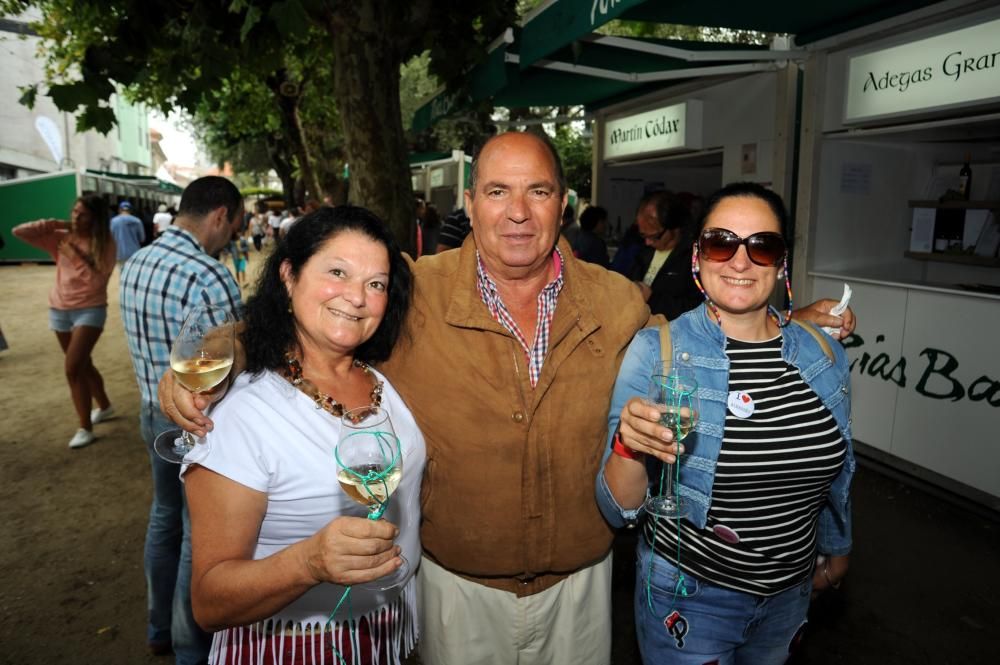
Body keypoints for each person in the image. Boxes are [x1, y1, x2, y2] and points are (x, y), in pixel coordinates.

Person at [161, 132, 855, 665]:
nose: (518, 213)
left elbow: (700, 342)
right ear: (471, 204)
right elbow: (326, 308)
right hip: (454, 587)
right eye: (496, 192)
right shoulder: (412, 289)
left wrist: (783, 322)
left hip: (581, 590)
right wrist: (214, 356)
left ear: (562, 201)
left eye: (539, 192)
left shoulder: (615, 301)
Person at [598, 182, 853, 664]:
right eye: (721, 242)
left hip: (790, 596)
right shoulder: (657, 353)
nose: (740, 261)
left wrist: (838, 548)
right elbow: (616, 509)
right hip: (691, 599)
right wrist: (629, 446)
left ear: (780, 262)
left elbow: (838, 472)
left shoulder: (824, 353)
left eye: (762, 246)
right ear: (698, 256)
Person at [184, 205, 422, 664]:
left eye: (376, 284)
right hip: (293, 644)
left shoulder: (382, 378)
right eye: (338, 272)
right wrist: (309, 562)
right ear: (289, 276)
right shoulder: (241, 412)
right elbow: (209, 602)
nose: (357, 297)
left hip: (391, 631)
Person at [120, 176, 245, 663]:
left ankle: (158, 628)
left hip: (152, 414)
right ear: (219, 215)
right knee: (198, 532)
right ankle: (191, 649)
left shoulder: (135, 262)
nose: (232, 236)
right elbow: (236, 358)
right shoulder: (207, 274)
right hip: (197, 421)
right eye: (233, 226)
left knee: (164, 518)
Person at [13, 194, 117, 448]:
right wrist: (54, 223)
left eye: (83, 214)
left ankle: (85, 427)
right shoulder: (61, 236)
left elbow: (97, 279)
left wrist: (74, 253)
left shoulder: (104, 242)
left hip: (89, 310)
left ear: (95, 218)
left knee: (73, 367)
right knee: (83, 363)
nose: (76, 217)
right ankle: (104, 406)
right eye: (74, 212)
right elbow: (19, 232)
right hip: (59, 308)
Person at [629, 190, 703, 321]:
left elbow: (698, 309)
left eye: (654, 236)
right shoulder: (644, 253)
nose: (648, 242)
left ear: (674, 229)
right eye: (643, 235)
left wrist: (652, 299)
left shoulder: (694, 259)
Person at [110, 200, 145, 265]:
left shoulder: (113, 221)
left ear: (119, 209)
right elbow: (142, 239)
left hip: (119, 253)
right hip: (135, 253)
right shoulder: (137, 221)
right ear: (131, 210)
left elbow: (110, 238)